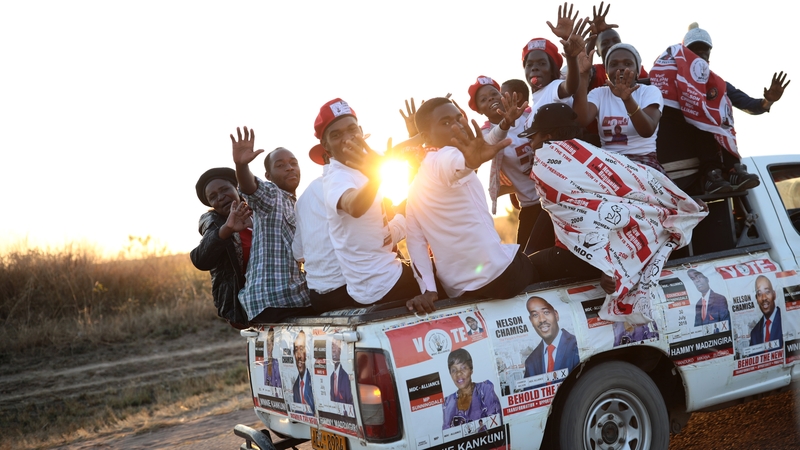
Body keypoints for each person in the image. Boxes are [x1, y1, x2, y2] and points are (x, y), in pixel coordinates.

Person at [404, 98, 540, 314]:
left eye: (459, 118)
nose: (457, 125)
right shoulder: (444, 159)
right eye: (446, 122)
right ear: (427, 137)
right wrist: (471, 163)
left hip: (459, 291)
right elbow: (458, 163)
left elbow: (415, 243)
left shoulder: (414, 190)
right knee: (544, 220)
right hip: (502, 278)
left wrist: (429, 289)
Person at [317, 98, 421, 306]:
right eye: (336, 135)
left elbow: (402, 151)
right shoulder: (336, 178)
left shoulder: (364, 162)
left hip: (378, 279)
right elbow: (354, 206)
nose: (347, 139)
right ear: (326, 145)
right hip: (381, 285)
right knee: (452, 276)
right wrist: (375, 176)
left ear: (361, 131)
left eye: (352, 130)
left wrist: (416, 133)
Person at [230, 127, 313, 323]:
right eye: (281, 165)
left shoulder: (299, 206)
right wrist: (241, 166)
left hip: (293, 297)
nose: (290, 167)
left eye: (294, 163)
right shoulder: (273, 195)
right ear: (268, 175)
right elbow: (251, 188)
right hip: (273, 300)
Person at [467, 75, 541, 246]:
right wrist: (505, 123)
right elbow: (489, 144)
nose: (491, 98)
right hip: (532, 204)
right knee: (527, 257)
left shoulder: (527, 113)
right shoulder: (485, 133)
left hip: (555, 195)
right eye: (483, 99)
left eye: (494, 93)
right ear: (479, 110)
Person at [573, 42, 665, 173]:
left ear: (638, 71)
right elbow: (581, 120)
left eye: (628, 64)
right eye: (614, 64)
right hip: (609, 164)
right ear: (607, 72)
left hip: (643, 163)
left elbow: (647, 130)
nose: (620, 68)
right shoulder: (599, 93)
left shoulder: (649, 92)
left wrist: (627, 100)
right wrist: (583, 75)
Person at [293, 143, 356, 314]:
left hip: (318, 298)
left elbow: (298, 253)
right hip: (350, 291)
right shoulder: (349, 188)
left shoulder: (304, 198)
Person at [190, 167, 253, 329]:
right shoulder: (213, 221)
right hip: (242, 305)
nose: (221, 197)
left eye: (224, 189)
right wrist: (226, 230)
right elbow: (200, 259)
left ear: (236, 188)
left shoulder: (258, 211)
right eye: (213, 197)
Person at [583, 2, 649, 91]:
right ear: (597, 51)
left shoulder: (634, 67)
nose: (611, 44)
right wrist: (593, 34)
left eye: (616, 40)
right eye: (604, 43)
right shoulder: (596, 71)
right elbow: (583, 69)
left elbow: (650, 83)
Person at [523, 296, 580, 385]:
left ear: (556, 315)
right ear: (531, 321)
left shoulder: (578, 345)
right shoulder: (531, 362)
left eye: (546, 312)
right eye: (535, 315)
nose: (542, 319)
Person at [441, 348, 502, 430]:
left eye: (463, 368)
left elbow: (497, 425)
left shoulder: (485, 390)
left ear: (471, 370)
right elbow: (446, 434)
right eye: (454, 370)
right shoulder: (448, 402)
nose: (458, 373)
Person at [749, 276, 783, 350]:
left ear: (774, 294)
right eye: (759, 294)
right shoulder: (754, 333)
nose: (764, 298)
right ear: (756, 299)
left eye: (767, 292)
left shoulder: (786, 320)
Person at [292, 331, 315, 414]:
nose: (299, 356)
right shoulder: (295, 386)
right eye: (296, 350)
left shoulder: (313, 382)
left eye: (301, 349)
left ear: (307, 352)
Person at [329, 339, 353, 405]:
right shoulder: (332, 377)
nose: (333, 350)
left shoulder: (346, 377)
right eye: (332, 347)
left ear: (340, 350)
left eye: (336, 346)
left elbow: (349, 402)